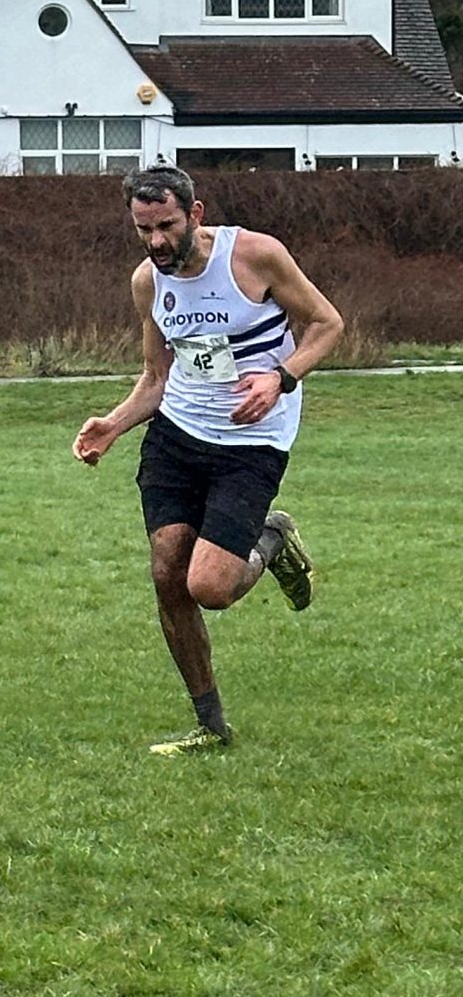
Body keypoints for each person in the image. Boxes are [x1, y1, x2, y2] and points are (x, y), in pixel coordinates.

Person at [73, 163, 344, 753]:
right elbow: (156, 377)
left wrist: (281, 377)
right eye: (143, 229)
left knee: (210, 588)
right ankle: (210, 724)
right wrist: (113, 424)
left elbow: (327, 324)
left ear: (194, 214)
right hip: (177, 437)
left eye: (166, 226)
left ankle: (272, 539)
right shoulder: (148, 282)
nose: (156, 241)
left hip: (251, 443)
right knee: (167, 574)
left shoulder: (254, 256)